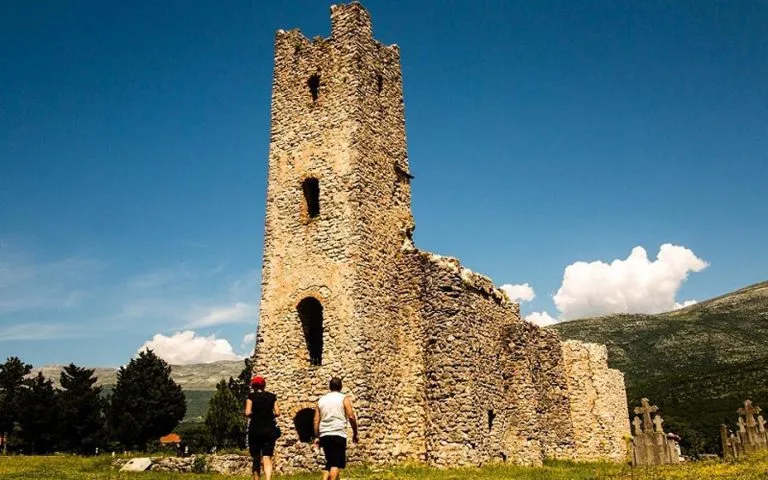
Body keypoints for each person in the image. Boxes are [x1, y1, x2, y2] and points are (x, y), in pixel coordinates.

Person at [313, 377, 358, 480]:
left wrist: (317, 436)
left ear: (330, 387)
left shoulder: (321, 400)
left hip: (324, 434)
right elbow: (351, 416)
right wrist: (355, 432)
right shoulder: (343, 398)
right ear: (341, 387)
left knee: (329, 463)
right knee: (335, 463)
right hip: (338, 433)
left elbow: (316, 420)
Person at [245, 375, 280, 480]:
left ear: (253, 386)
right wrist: (269, 415)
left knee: (256, 457)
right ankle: (268, 478)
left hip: (255, 429)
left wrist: (254, 414)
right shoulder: (272, 397)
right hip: (269, 429)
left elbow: (247, 412)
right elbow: (278, 412)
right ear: (264, 386)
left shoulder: (251, 397)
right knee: (267, 456)